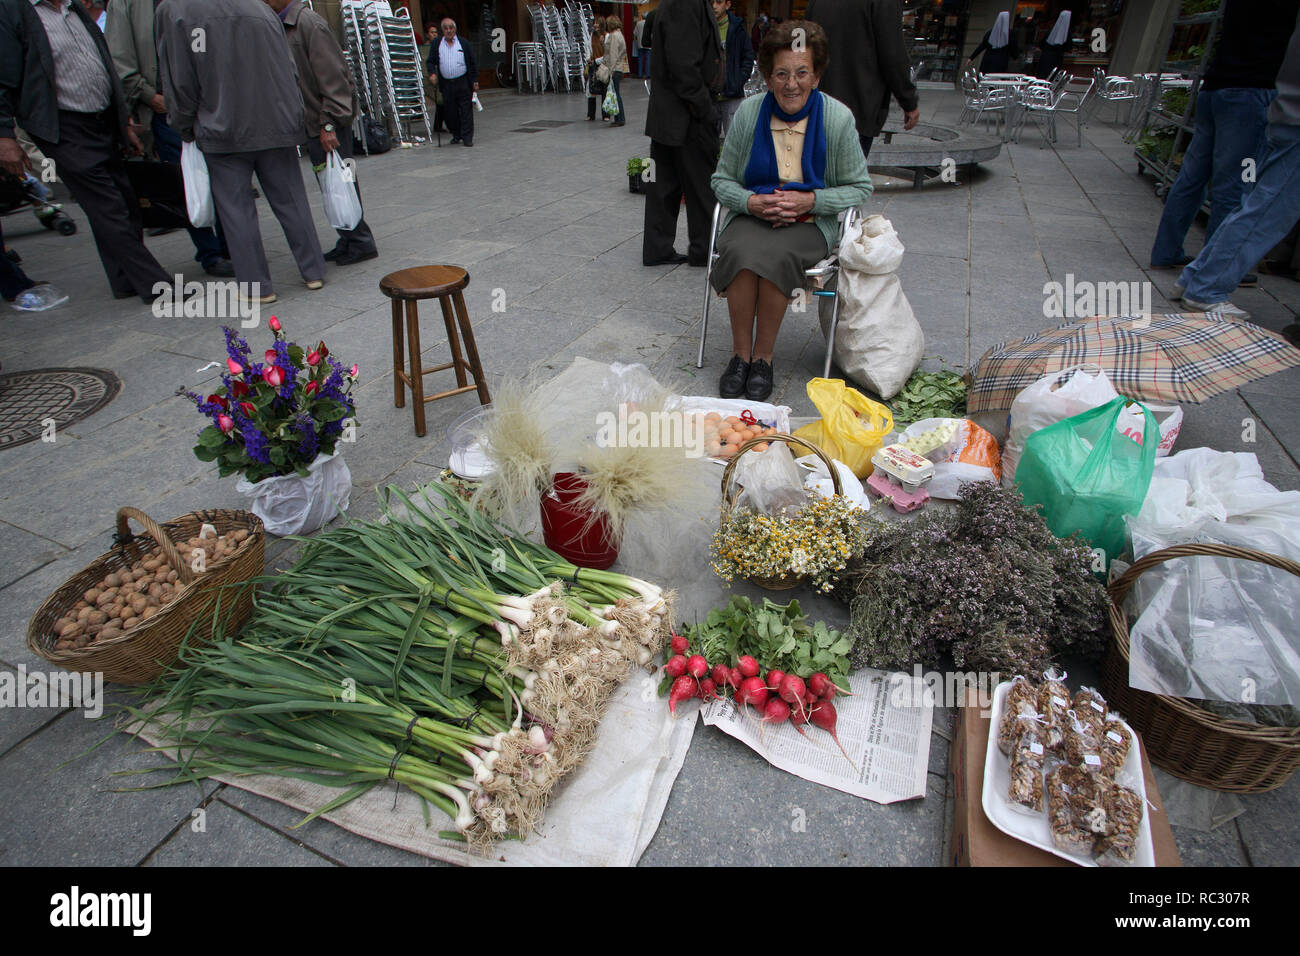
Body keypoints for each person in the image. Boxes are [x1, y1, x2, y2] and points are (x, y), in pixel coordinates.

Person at [709, 19, 872, 401]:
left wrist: (811, 200)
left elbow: (859, 187)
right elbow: (722, 180)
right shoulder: (749, 114)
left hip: (811, 221)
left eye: (801, 72)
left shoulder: (837, 118)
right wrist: (750, 201)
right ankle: (740, 357)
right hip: (753, 215)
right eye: (781, 73)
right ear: (767, 77)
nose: (791, 84)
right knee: (741, 250)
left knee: (776, 254)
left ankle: (763, 360)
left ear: (816, 75)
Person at [0, 0, 173, 302]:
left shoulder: (72, 7)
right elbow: (4, 77)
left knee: (124, 200)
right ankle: (155, 285)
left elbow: (102, 63)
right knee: (108, 206)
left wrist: (123, 124)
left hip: (101, 119)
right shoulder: (15, 10)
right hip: (63, 125)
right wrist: (4, 137)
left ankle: (125, 280)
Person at [157, 0, 326, 304]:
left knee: (236, 209)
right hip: (276, 119)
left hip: (223, 122)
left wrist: (183, 124)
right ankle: (313, 270)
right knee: (291, 198)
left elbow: (180, 78)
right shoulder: (259, 8)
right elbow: (289, 68)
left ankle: (257, 285)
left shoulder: (177, 9)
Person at [1151, 0, 1299, 277]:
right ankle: (1212, 270)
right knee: (1237, 183)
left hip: (1215, 87)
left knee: (1191, 178)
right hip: (1251, 91)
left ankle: (1166, 251)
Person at [1177, 5, 1300, 335]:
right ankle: (1207, 284)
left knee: (1246, 195)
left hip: (1231, 91)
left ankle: (1197, 273)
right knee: (1260, 202)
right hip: (1259, 97)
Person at [106, 0, 234, 278]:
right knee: (186, 179)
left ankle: (231, 245)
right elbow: (120, 59)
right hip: (166, 107)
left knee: (225, 175)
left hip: (207, 102)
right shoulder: (127, 4)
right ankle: (210, 251)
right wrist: (149, 96)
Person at [267, 0, 377, 266]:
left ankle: (360, 240)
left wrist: (328, 124)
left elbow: (335, 79)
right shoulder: (284, 26)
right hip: (313, 123)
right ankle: (348, 235)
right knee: (330, 184)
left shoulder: (309, 24)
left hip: (327, 123)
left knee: (343, 181)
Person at [642, 0, 722, 267]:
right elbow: (683, 66)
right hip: (686, 115)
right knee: (699, 187)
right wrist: (705, 109)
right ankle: (702, 250)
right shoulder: (685, 3)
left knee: (665, 185)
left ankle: (659, 248)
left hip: (674, 114)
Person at [806, 0, 919, 160]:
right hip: (858, 105)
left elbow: (805, 48)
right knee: (847, 177)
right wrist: (909, 102)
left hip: (818, 103)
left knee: (815, 172)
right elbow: (893, 55)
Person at [428, 18, 478, 147]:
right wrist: (432, 73)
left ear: (455, 29)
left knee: (466, 111)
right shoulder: (437, 44)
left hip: (463, 81)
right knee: (450, 112)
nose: (449, 30)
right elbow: (430, 61)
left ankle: (467, 137)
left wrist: (474, 81)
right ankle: (457, 134)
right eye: (446, 28)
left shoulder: (463, 43)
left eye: (451, 28)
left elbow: (472, 63)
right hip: (447, 83)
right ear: (442, 30)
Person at [712, 0, 755, 138]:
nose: (714, 6)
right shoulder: (704, 26)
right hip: (709, 95)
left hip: (732, 94)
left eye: (718, 2)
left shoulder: (737, 27)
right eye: (711, 2)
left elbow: (748, 57)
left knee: (734, 139)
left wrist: (738, 80)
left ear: (727, 4)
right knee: (707, 143)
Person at [603, 15, 628, 127]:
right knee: (616, 93)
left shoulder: (613, 36)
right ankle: (619, 117)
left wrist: (611, 69)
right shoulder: (620, 35)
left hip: (614, 68)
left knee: (615, 94)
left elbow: (613, 53)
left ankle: (620, 118)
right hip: (619, 67)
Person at [1035, 10, 1069, 79]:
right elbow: (1068, 46)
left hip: (1045, 58)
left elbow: (1042, 44)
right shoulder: (1066, 34)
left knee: (1043, 78)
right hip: (1056, 59)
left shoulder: (1051, 31)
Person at [586, 22, 606, 121]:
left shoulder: (605, 37)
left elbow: (607, 54)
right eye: (594, 26)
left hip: (602, 66)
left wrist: (597, 60)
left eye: (598, 26)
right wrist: (588, 58)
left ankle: (605, 114)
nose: (595, 27)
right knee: (591, 90)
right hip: (592, 66)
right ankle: (590, 114)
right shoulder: (591, 36)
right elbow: (588, 48)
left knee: (603, 90)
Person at [632, 11, 646, 78]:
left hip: (640, 43)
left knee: (640, 59)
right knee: (648, 59)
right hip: (648, 44)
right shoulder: (649, 23)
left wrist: (635, 40)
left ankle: (640, 74)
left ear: (642, 17)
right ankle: (648, 73)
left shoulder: (638, 23)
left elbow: (634, 33)